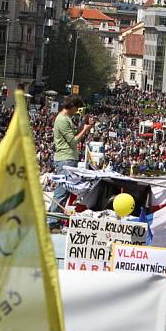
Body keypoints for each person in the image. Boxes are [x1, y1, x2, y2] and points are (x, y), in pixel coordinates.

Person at [49, 96, 92, 232]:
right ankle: (52, 223)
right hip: (65, 158)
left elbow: (73, 135)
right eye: (77, 108)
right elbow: (73, 141)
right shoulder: (62, 120)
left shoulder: (66, 119)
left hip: (68, 157)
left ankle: (53, 221)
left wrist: (83, 126)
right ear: (72, 106)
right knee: (61, 191)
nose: (77, 111)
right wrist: (85, 130)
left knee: (65, 191)